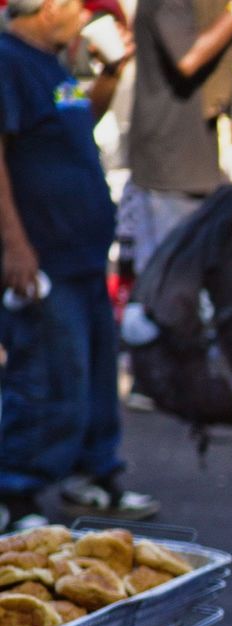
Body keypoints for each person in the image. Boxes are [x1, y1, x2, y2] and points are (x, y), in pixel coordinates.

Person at [1, 0, 156, 529]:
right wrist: (14, 244)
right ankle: (15, 494)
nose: (83, 14)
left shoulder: (51, 61)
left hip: (81, 252)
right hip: (44, 257)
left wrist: (111, 72)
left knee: (92, 371)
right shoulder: (8, 59)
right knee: (45, 375)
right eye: (75, 4)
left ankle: (93, 475)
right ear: (45, 8)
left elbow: (76, 119)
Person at [122, 0, 232, 277]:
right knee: (169, 283)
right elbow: (188, 58)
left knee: (195, 281)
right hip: (170, 167)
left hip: (198, 162)